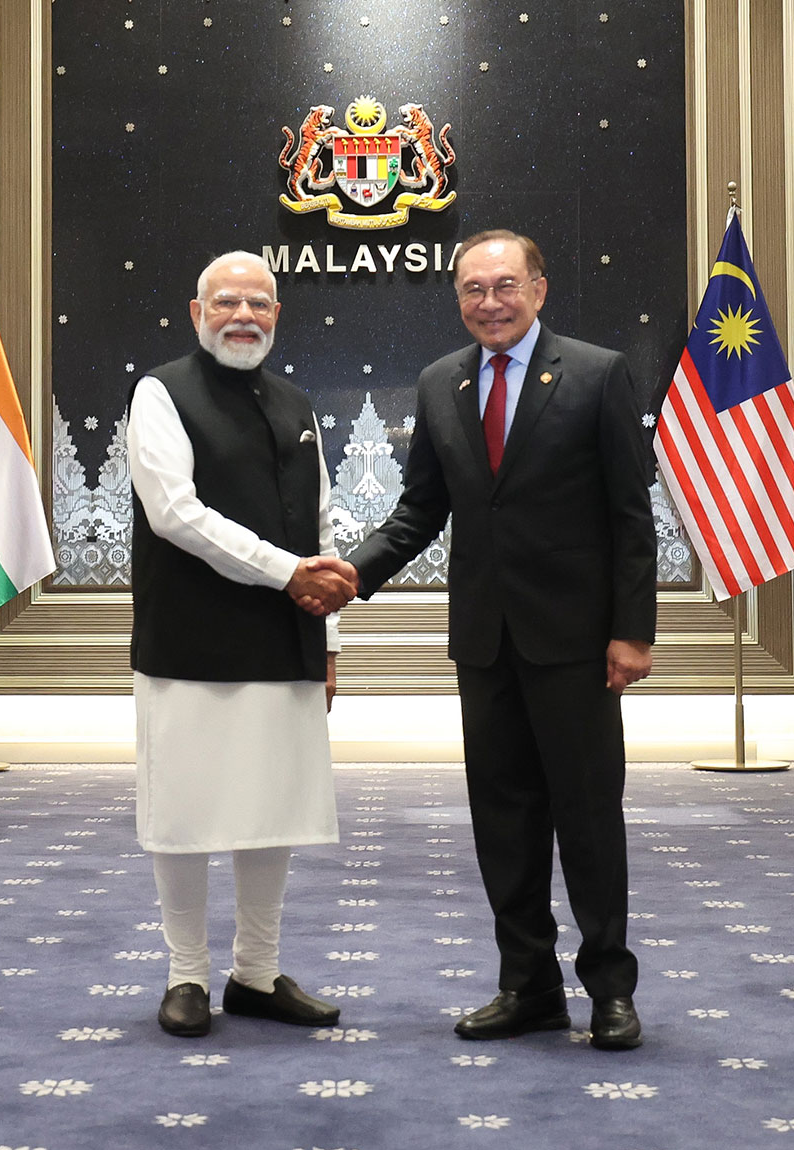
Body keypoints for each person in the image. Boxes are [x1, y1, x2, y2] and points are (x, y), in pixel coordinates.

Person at [331, 230, 658, 1050]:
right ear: (458, 300)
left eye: (505, 285)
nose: (490, 302)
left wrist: (631, 632)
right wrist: (348, 575)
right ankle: (528, 987)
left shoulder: (598, 373)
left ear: (538, 289)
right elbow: (419, 510)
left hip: (577, 643)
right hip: (485, 643)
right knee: (503, 821)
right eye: (473, 289)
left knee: (588, 818)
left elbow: (631, 517)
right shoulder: (440, 383)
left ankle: (610, 990)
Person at [127, 250, 358, 1037]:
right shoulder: (160, 392)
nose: (243, 316)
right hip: (188, 641)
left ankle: (256, 974)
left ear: (276, 316)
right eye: (226, 302)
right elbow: (174, 513)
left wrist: (330, 643)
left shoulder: (296, 404)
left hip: (285, 641)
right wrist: (288, 573)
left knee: (272, 808)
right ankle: (186, 975)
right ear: (197, 314)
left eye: (258, 304)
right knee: (184, 812)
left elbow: (320, 529)